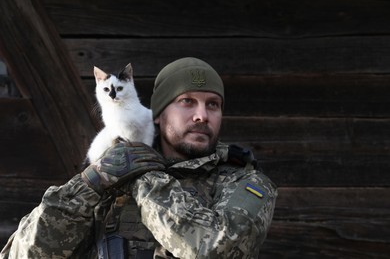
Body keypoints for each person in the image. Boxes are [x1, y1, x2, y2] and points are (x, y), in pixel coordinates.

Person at [0, 57, 277, 258]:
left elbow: (215, 249)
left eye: (213, 105)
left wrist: (144, 176)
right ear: (157, 113)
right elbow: (21, 255)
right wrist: (89, 184)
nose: (201, 115)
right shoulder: (108, 174)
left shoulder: (242, 180)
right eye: (187, 101)